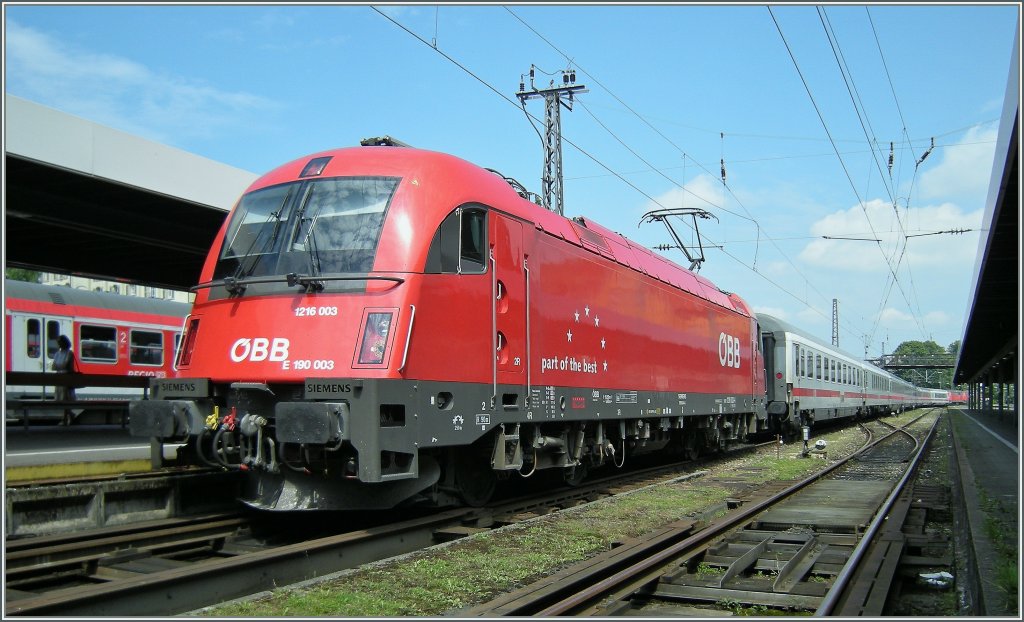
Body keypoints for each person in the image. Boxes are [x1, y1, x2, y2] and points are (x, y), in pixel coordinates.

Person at [51, 335, 78, 425]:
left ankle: (65, 418)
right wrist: (61, 366)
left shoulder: (69, 353)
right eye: (58, 342)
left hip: (66, 378)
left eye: (60, 342)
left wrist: (60, 366)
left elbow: (65, 365)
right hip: (60, 378)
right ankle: (70, 415)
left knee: (65, 398)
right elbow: (53, 367)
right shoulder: (57, 354)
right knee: (62, 399)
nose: (59, 344)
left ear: (64, 343)